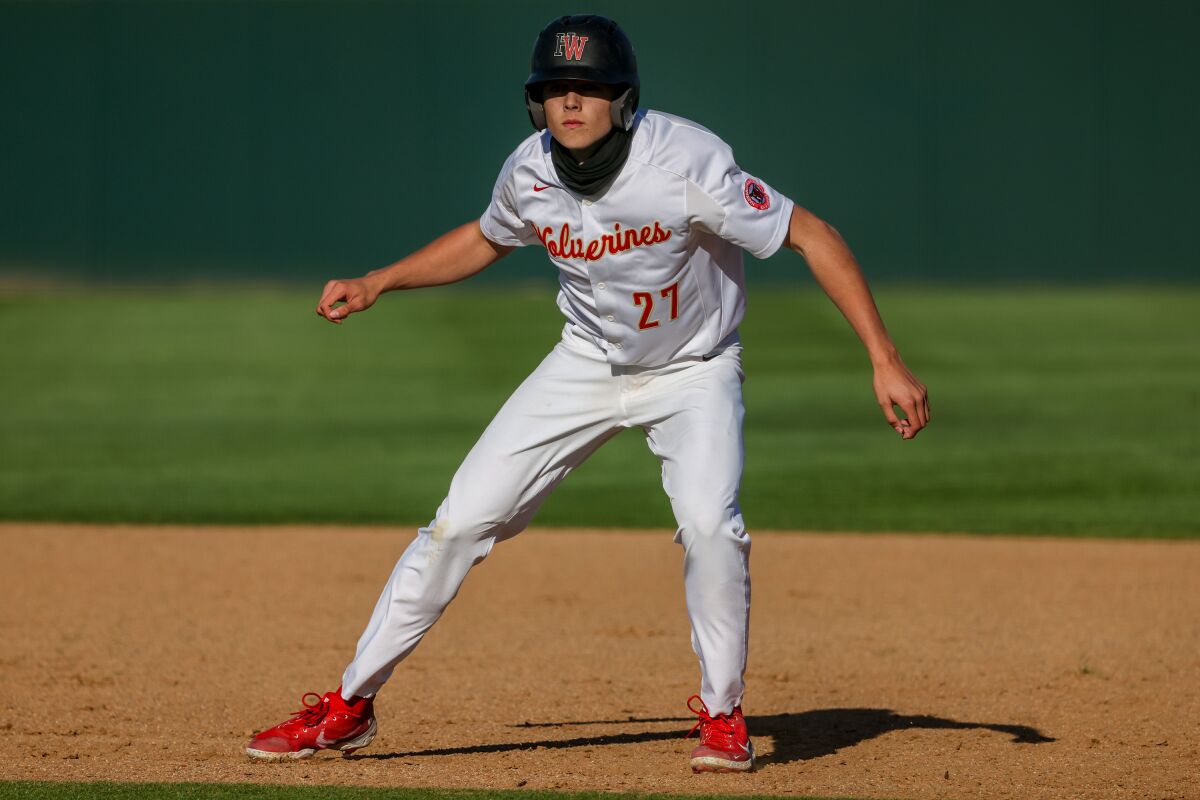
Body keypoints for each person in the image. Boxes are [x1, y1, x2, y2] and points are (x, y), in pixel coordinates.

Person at [244, 14, 929, 774]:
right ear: (537, 103)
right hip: (586, 363)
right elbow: (485, 236)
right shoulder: (529, 170)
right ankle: (349, 706)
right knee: (459, 521)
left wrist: (884, 358)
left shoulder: (686, 162)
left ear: (623, 100)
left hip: (693, 370)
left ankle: (725, 716)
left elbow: (813, 234)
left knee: (710, 524)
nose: (572, 102)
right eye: (556, 88)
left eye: (591, 87)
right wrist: (379, 281)